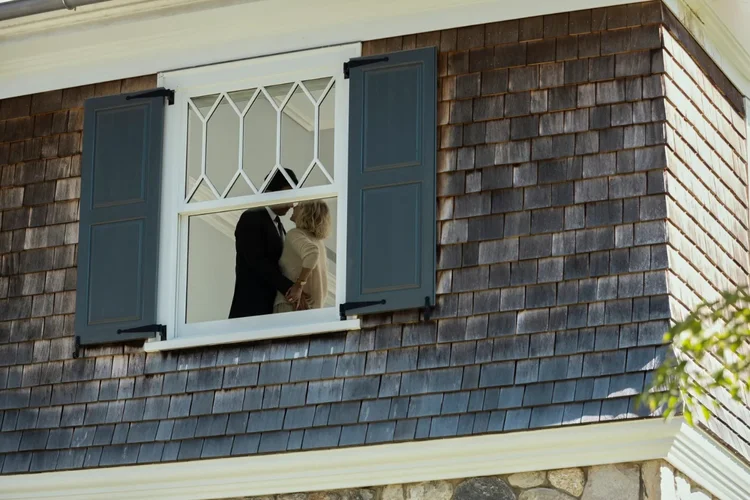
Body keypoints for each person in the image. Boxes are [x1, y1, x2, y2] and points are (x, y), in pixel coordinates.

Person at [228, 168, 299, 319]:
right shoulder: (251, 217)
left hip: (269, 313)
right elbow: (257, 261)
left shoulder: (279, 225)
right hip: (251, 312)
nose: (293, 204)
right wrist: (290, 288)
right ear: (271, 192)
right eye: (289, 194)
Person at [273, 200, 331, 313]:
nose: (294, 207)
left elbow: (312, 253)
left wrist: (299, 285)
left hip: (291, 306)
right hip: (311, 311)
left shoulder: (295, 234)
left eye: (299, 205)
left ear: (306, 211)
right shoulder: (319, 242)